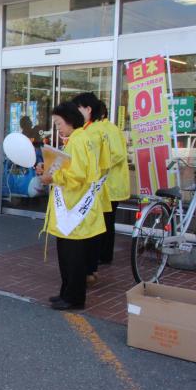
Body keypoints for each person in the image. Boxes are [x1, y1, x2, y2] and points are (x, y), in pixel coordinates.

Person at [40, 102, 106, 311]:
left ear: (69, 121)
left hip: (74, 211)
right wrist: (49, 170)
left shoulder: (78, 142)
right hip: (73, 210)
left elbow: (76, 176)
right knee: (67, 255)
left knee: (73, 258)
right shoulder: (79, 140)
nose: (58, 127)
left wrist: (52, 177)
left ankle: (74, 298)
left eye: (59, 123)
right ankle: (66, 293)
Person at [71, 92, 111, 285]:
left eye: (76, 108)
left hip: (87, 189)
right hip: (91, 188)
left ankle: (89, 271)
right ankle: (90, 270)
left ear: (87, 110)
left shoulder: (91, 133)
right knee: (91, 231)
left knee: (89, 233)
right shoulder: (88, 130)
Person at [97, 102, 130, 264]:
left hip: (109, 186)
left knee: (106, 222)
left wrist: (97, 166)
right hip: (106, 186)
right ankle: (103, 255)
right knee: (105, 221)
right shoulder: (104, 128)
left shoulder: (108, 129)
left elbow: (117, 154)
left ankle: (104, 255)